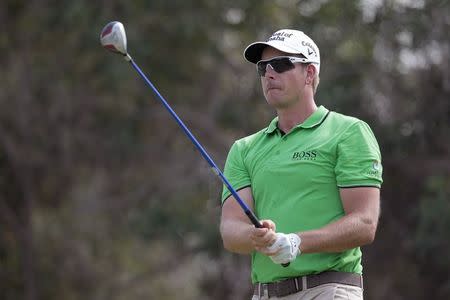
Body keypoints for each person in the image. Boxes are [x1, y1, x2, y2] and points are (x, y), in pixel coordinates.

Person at [219, 29, 383, 300]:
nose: (270, 74)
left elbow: (364, 223)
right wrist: (255, 237)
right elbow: (230, 229)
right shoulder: (244, 149)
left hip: (328, 289)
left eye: (282, 65)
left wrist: (297, 242)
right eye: (263, 67)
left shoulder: (348, 132)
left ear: (309, 74)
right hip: (265, 294)